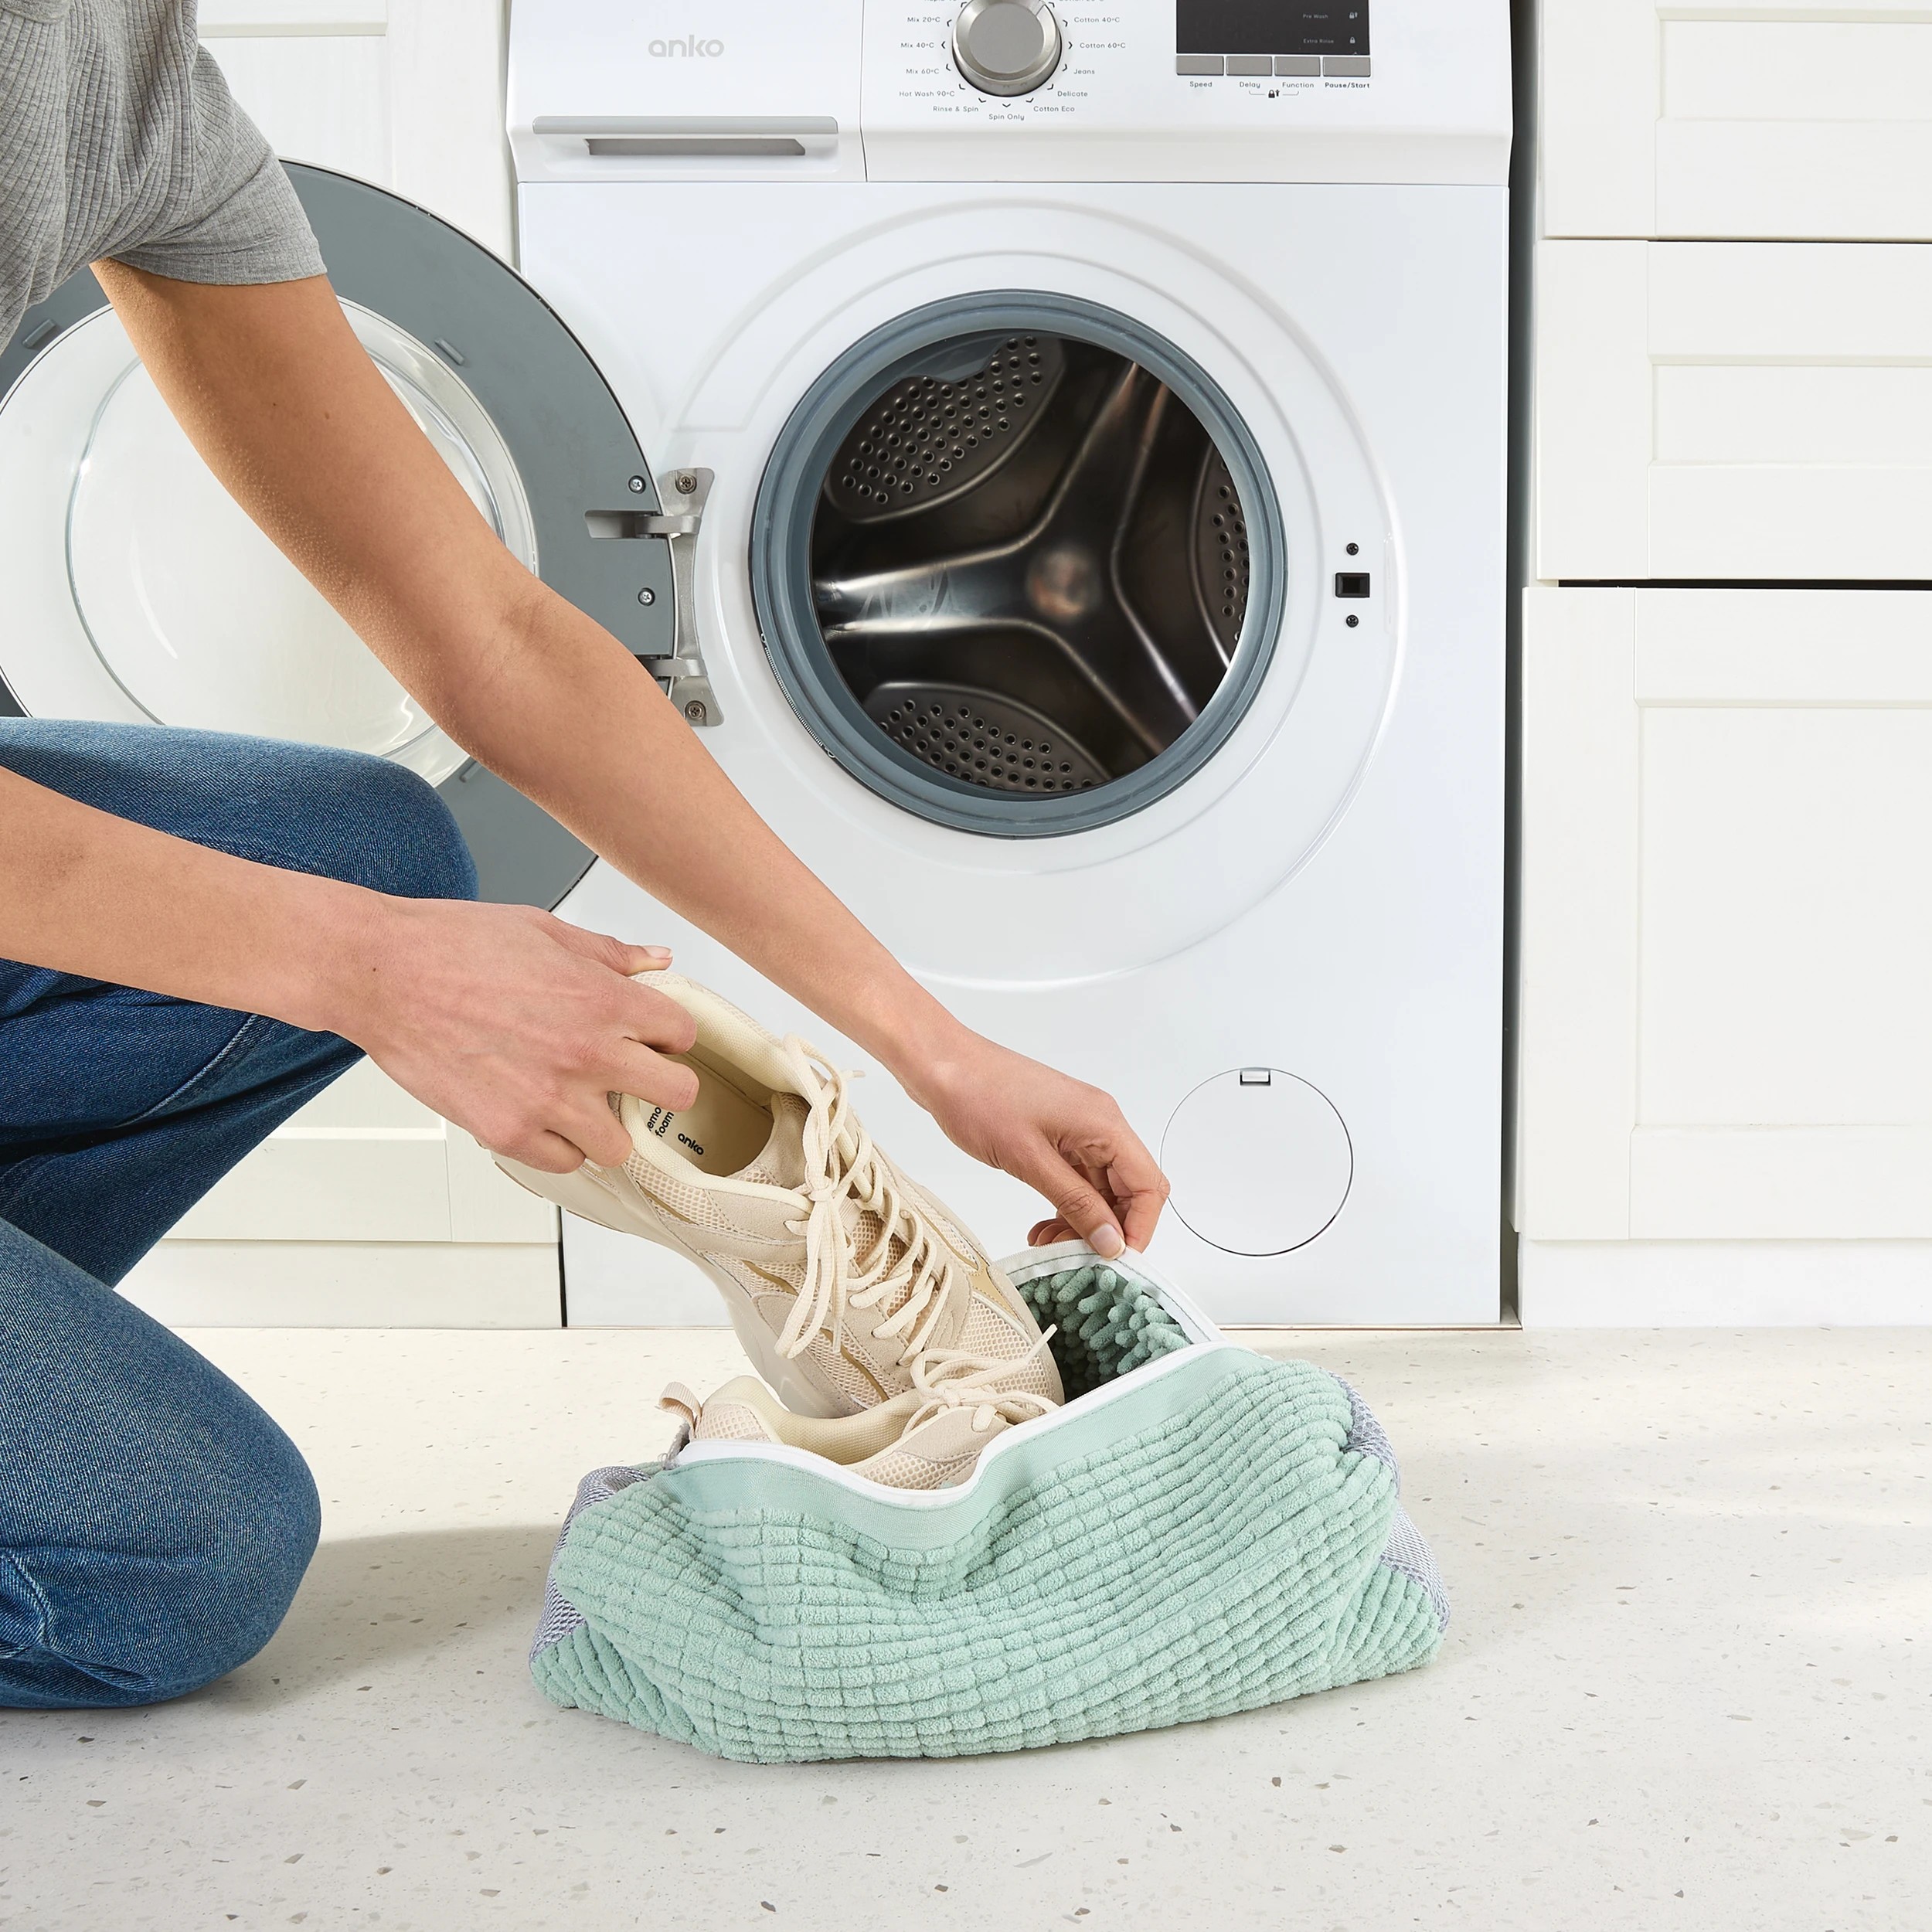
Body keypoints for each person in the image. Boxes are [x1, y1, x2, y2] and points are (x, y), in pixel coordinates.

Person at [0, 0, 1168, 1710]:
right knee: (181, 1559)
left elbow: (485, 630)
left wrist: (932, 1047)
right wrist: (366, 970)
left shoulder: (123, 71)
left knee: (371, 847)